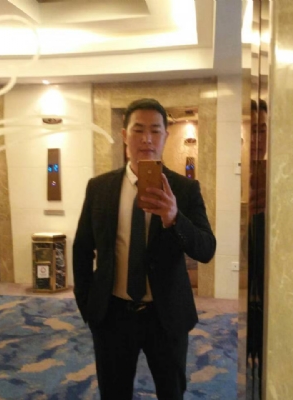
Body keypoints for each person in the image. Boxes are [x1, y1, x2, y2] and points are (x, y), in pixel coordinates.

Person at [73, 98, 216, 400]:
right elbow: (82, 249)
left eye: (155, 130)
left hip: (166, 317)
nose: (147, 139)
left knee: (171, 392)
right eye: (138, 130)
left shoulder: (185, 189)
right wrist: (88, 306)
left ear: (165, 136)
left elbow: (206, 249)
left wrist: (175, 218)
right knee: (113, 393)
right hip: (112, 315)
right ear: (125, 135)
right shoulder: (99, 187)